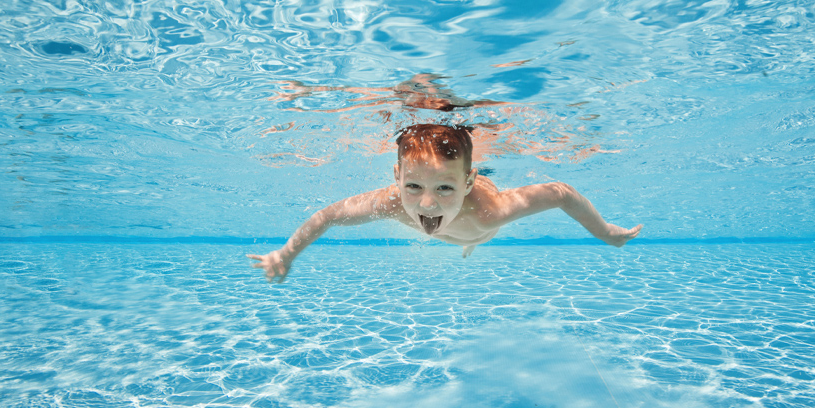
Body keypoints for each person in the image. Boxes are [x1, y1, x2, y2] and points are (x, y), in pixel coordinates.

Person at [248, 124, 642, 282]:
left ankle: (471, 242)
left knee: (477, 234)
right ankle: (467, 242)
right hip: (464, 232)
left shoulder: (491, 210)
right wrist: (286, 253)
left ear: (468, 182)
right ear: (397, 177)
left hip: (479, 231)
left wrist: (605, 232)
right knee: (463, 234)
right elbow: (329, 216)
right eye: (413, 185)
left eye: (445, 188)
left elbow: (561, 193)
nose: (427, 204)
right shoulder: (392, 203)